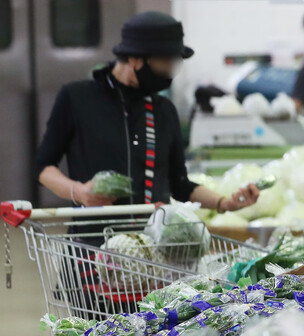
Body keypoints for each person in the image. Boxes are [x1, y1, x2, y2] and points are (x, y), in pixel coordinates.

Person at [35, 11, 258, 216]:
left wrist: (224, 203)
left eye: (174, 63)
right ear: (134, 58)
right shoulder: (77, 98)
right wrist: (79, 192)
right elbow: (43, 166)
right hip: (92, 244)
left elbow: (179, 184)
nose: (169, 72)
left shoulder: (164, 110)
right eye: (164, 62)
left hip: (150, 245)